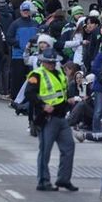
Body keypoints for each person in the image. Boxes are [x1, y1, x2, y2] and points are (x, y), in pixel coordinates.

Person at [32, 48, 78, 192]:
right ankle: (43, 181)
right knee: (45, 150)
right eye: (49, 62)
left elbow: (60, 94)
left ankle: (63, 180)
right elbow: (30, 94)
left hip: (61, 117)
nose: (51, 65)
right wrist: (43, 106)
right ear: (43, 62)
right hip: (47, 119)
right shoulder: (36, 75)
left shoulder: (59, 74)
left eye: (53, 62)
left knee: (69, 147)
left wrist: (67, 101)